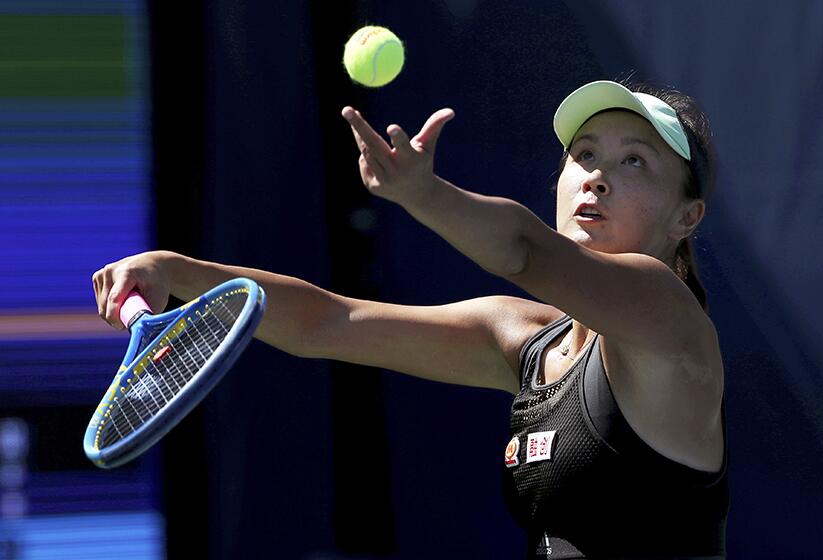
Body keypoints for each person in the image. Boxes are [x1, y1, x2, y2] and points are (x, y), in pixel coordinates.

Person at [92, 79, 729, 559]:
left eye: (634, 162)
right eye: (584, 155)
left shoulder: (669, 319)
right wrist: (178, 271)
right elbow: (330, 322)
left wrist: (423, 194)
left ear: (686, 218)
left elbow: (524, 249)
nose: (595, 179)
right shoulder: (524, 339)